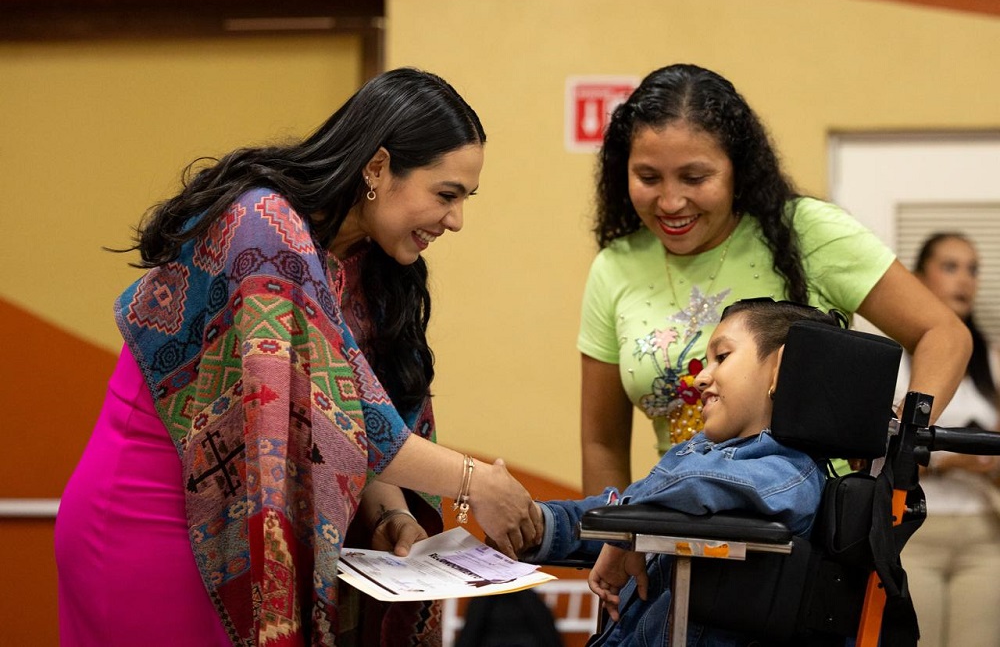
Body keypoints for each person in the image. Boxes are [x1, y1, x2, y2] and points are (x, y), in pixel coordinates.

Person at [54, 67, 543, 647]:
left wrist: (387, 515)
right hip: (153, 516)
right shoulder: (262, 227)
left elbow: (352, 412)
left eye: (465, 198)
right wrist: (474, 482)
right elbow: (348, 414)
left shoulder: (367, 261)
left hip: (238, 517)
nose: (457, 219)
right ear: (379, 167)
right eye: (446, 194)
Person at [579, 63, 971, 496]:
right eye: (648, 178)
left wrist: (898, 434)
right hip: (687, 520)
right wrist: (609, 540)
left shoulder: (808, 232)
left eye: (695, 177)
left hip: (812, 532)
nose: (671, 201)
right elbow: (603, 444)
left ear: (737, 170)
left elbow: (944, 333)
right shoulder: (615, 266)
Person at [524, 299, 832, 645]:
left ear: (781, 367)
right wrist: (538, 523)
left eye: (722, 356)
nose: (700, 377)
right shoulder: (700, 453)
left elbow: (685, 488)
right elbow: (628, 502)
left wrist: (624, 530)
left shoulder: (789, 474)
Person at [895, 233, 1000, 647]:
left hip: (983, 532)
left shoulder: (989, 360)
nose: (965, 281)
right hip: (915, 530)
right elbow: (873, 457)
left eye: (973, 269)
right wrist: (950, 460)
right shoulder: (896, 360)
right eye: (951, 267)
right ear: (918, 279)